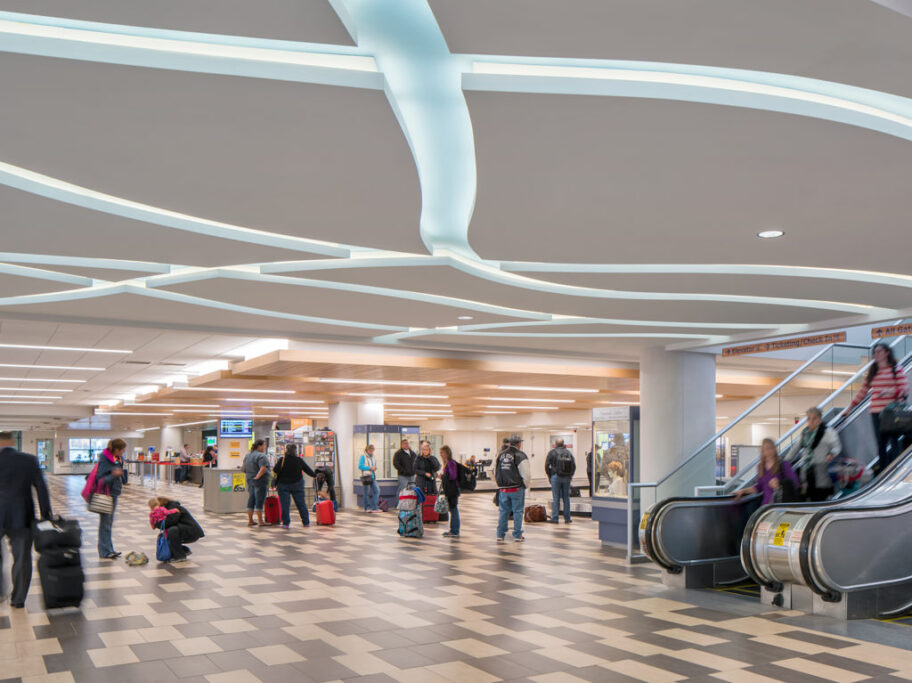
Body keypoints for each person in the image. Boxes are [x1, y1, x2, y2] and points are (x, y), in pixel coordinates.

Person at [0, 431, 52, 608]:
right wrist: (46, 516)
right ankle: (18, 599)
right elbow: (41, 489)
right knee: (22, 558)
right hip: (22, 516)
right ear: (12, 442)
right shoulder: (29, 460)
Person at [850, 342, 909, 474]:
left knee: (894, 440)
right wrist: (850, 407)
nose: (876, 355)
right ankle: (884, 472)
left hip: (891, 412)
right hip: (876, 413)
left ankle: (897, 470)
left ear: (886, 353)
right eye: (874, 352)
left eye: (879, 352)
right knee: (881, 443)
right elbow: (863, 391)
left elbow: (905, 390)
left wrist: (889, 392)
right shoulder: (873, 371)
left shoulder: (896, 369)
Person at [786, 406, 842, 501]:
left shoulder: (828, 432)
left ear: (820, 419)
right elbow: (795, 449)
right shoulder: (805, 433)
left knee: (819, 499)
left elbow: (837, 446)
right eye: (809, 418)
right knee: (807, 498)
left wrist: (831, 454)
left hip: (821, 472)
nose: (811, 421)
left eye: (814, 418)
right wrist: (785, 461)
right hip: (806, 472)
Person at [736, 438, 800, 505]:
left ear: (775, 449)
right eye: (765, 450)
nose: (768, 452)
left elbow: (795, 483)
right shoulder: (761, 467)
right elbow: (759, 487)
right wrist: (743, 491)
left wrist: (780, 484)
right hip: (766, 507)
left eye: (770, 449)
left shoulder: (784, 465)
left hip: (781, 506)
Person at [96, 438, 129, 559]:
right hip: (106, 494)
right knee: (105, 523)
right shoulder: (105, 459)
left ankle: (109, 549)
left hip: (113, 493)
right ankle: (105, 551)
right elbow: (100, 478)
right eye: (122, 449)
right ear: (116, 449)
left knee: (108, 523)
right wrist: (113, 475)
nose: (124, 452)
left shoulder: (116, 459)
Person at [495, 434, 531, 542]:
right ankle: (517, 535)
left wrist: (499, 484)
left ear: (510, 442)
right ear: (519, 444)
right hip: (516, 488)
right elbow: (526, 474)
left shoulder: (500, 455)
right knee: (518, 511)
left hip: (503, 488)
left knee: (503, 511)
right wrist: (525, 485)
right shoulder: (520, 455)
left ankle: (500, 534)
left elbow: (494, 470)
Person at [147, 497, 204, 563]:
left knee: (172, 531)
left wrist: (157, 523)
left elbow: (171, 521)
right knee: (167, 534)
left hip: (191, 532)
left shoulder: (173, 507)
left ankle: (180, 556)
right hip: (183, 530)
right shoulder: (167, 508)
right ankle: (183, 550)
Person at [274, 444, 315, 529]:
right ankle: (306, 522)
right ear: (295, 451)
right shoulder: (299, 460)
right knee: (301, 504)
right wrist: (315, 475)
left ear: (286, 450)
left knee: (285, 505)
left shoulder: (282, 460)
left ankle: (286, 523)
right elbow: (307, 470)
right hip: (297, 485)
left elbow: (275, 470)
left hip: (283, 485)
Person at [545, 439, 575, 524]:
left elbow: (546, 465)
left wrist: (550, 476)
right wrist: (570, 476)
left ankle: (555, 518)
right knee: (566, 498)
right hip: (566, 478)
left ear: (555, 444)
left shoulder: (552, 452)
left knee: (556, 498)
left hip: (555, 477)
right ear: (563, 444)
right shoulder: (568, 453)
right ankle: (567, 518)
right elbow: (574, 466)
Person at [243, 439, 269, 527]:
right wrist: (257, 476)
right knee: (259, 500)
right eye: (264, 445)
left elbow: (243, 468)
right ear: (259, 446)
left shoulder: (248, 455)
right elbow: (263, 468)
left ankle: (250, 520)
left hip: (250, 480)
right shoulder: (262, 456)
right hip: (260, 481)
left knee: (251, 499)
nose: (264, 447)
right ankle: (260, 521)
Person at [439, 445, 460, 538]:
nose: (441, 454)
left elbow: (452, 476)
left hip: (452, 490)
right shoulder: (448, 463)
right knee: (452, 510)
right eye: (440, 453)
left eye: (442, 452)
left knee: (454, 510)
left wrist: (442, 476)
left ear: (447, 453)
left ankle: (454, 531)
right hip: (450, 490)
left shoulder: (451, 463)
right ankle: (453, 530)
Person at [358, 444, 380, 513]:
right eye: (370, 451)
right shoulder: (363, 456)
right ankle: (367, 508)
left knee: (377, 491)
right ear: (367, 450)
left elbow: (374, 465)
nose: (372, 452)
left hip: (372, 476)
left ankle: (374, 507)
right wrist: (369, 468)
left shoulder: (373, 457)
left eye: (373, 451)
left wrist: (374, 468)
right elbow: (360, 466)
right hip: (366, 476)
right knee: (366, 492)